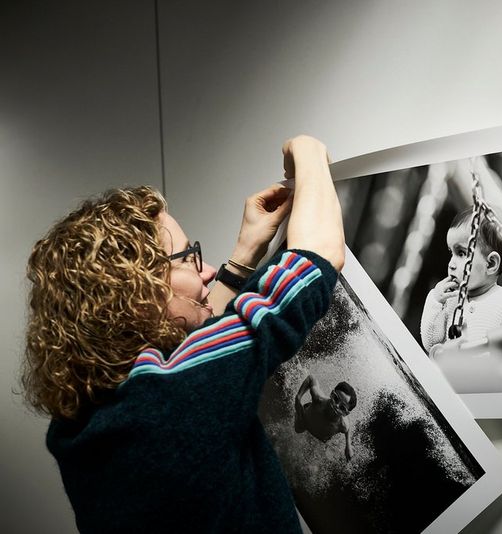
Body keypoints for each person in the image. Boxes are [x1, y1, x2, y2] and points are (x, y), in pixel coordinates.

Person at [20, 136, 344, 533]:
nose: (206, 268)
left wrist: (243, 255)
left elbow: (196, 356)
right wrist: (308, 150)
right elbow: (316, 258)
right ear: (137, 293)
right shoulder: (176, 397)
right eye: (187, 257)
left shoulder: (85, 420)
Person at [420, 207, 502, 358]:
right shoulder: (452, 298)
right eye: (451, 253)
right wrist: (435, 300)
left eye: (461, 253)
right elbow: (430, 343)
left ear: (491, 264)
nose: (451, 264)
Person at [293, 373, 356, 461]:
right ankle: (300, 413)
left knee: (321, 446)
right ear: (331, 394)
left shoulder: (342, 425)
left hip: (321, 436)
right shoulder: (318, 399)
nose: (336, 406)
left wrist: (348, 445)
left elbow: (348, 427)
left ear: (345, 413)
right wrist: (298, 397)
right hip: (306, 420)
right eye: (336, 398)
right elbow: (311, 378)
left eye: (342, 407)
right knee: (298, 429)